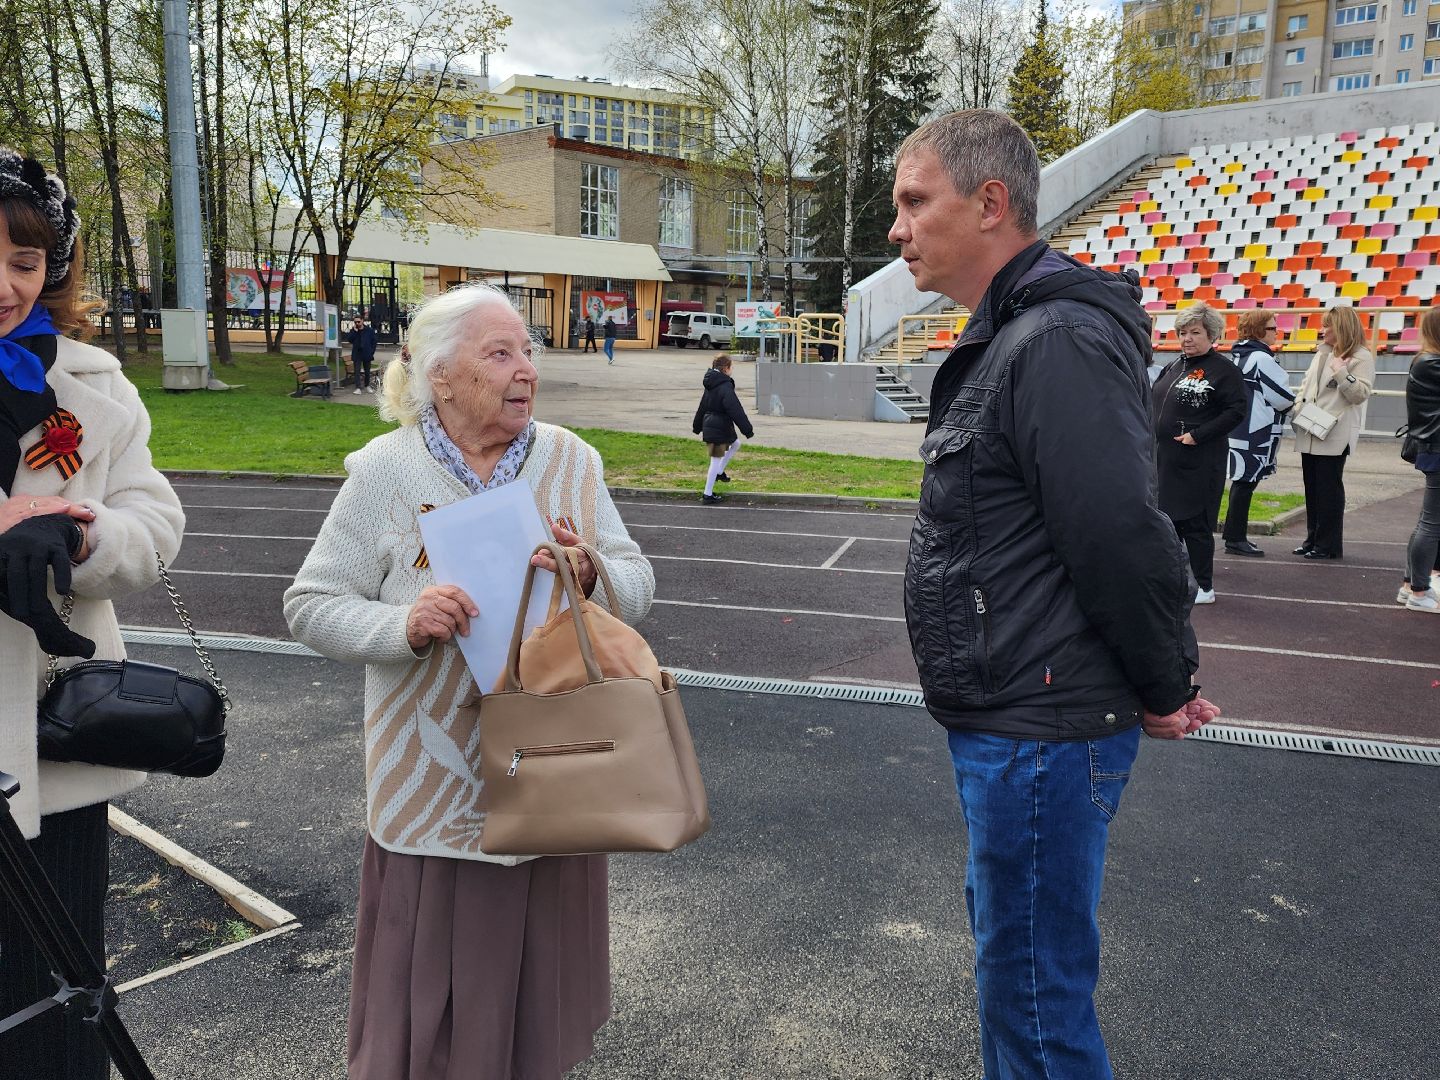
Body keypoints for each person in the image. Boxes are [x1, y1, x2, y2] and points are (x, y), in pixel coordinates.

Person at [888, 110, 1218, 1080]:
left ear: (991, 204)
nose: (897, 230)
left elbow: (1119, 531)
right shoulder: (1023, 333)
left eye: (914, 202)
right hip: (1017, 722)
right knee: (1018, 986)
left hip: (1043, 729)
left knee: (1035, 1007)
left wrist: (1165, 684)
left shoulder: (1058, 338)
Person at [283, 283, 654, 1080]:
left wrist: (589, 570)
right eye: (501, 353)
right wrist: (402, 626)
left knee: (533, 1015)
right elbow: (309, 604)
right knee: (431, 1024)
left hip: (557, 774)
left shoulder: (569, 461)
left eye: (529, 351)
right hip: (432, 799)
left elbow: (636, 578)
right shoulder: (386, 470)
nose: (526, 370)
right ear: (440, 378)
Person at [0, 148, 185, 1078]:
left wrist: (79, 535)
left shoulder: (95, 387)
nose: (4, 283)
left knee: (63, 1018)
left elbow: (155, 529)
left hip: (52, 758)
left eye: (24, 262)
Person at [1151, 302, 1247, 603]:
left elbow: (1236, 411)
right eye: (1182, 332)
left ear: (1212, 335)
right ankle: (1175, 580)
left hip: (1199, 462)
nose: (1187, 339)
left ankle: (1204, 586)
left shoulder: (1224, 370)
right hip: (1165, 461)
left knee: (1195, 524)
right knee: (1167, 524)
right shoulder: (1173, 365)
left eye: (1194, 332)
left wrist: (1197, 435)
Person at [1291, 304, 1375, 560]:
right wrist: (1297, 409)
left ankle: (1328, 544)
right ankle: (1313, 539)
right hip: (1310, 427)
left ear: (1341, 328)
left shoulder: (1362, 357)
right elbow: (1307, 387)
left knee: (1328, 489)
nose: (1322, 330)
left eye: (1327, 325)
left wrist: (1341, 372)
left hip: (1334, 432)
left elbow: (1360, 394)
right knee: (1312, 488)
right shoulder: (1322, 353)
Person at [1223, 309, 1296, 556]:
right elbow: (1283, 396)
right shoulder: (1261, 358)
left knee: (1241, 483)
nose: (1277, 332)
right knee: (1245, 484)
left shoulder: (1238, 355)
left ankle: (1235, 536)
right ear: (1258, 330)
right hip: (1255, 429)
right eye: (1272, 328)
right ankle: (1235, 539)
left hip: (1240, 428)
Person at [1397, 304, 1440, 612]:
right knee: (1431, 523)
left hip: (1433, 447)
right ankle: (1419, 592)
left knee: (1429, 521)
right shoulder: (1430, 362)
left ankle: (1412, 585)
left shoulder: (1427, 360)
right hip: (1436, 448)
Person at [691, 353, 753, 505]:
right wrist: (747, 430)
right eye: (732, 367)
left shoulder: (712, 384)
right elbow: (736, 410)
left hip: (715, 425)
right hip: (718, 427)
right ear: (726, 368)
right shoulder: (724, 387)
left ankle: (719, 472)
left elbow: (702, 406)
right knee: (715, 460)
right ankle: (707, 494)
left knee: (736, 444)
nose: (733, 370)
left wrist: (697, 426)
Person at [347, 315, 377, 395]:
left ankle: (367, 385)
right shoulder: (353, 330)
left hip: (367, 353)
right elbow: (349, 340)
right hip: (357, 353)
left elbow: (374, 342)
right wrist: (354, 332)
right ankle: (358, 387)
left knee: (367, 371)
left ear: (362, 321)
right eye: (355, 322)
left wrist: (371, 352)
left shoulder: (369, 330)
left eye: (358, 322)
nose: (357, 323)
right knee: (357, 371)